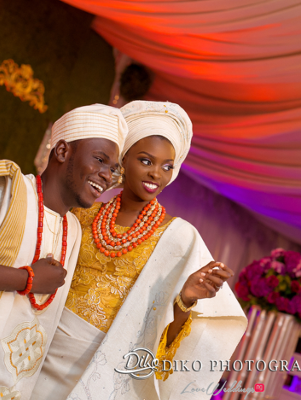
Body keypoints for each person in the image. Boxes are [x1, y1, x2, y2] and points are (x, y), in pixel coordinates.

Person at [33, 100, 248, 400]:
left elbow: (162, 341)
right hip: (38, 354)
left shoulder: (179, 238)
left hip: (104, 376)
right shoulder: (81, 215)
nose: (156, 174)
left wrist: (185, 300)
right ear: (123, 160)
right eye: (146, 161)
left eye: (167, 166)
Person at [0, 104, 127, 400]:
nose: (107, 175)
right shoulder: (6, 190)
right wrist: (27, 278)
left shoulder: (74, 229)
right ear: (61, 151)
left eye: (114, 169)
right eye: (100, 160)